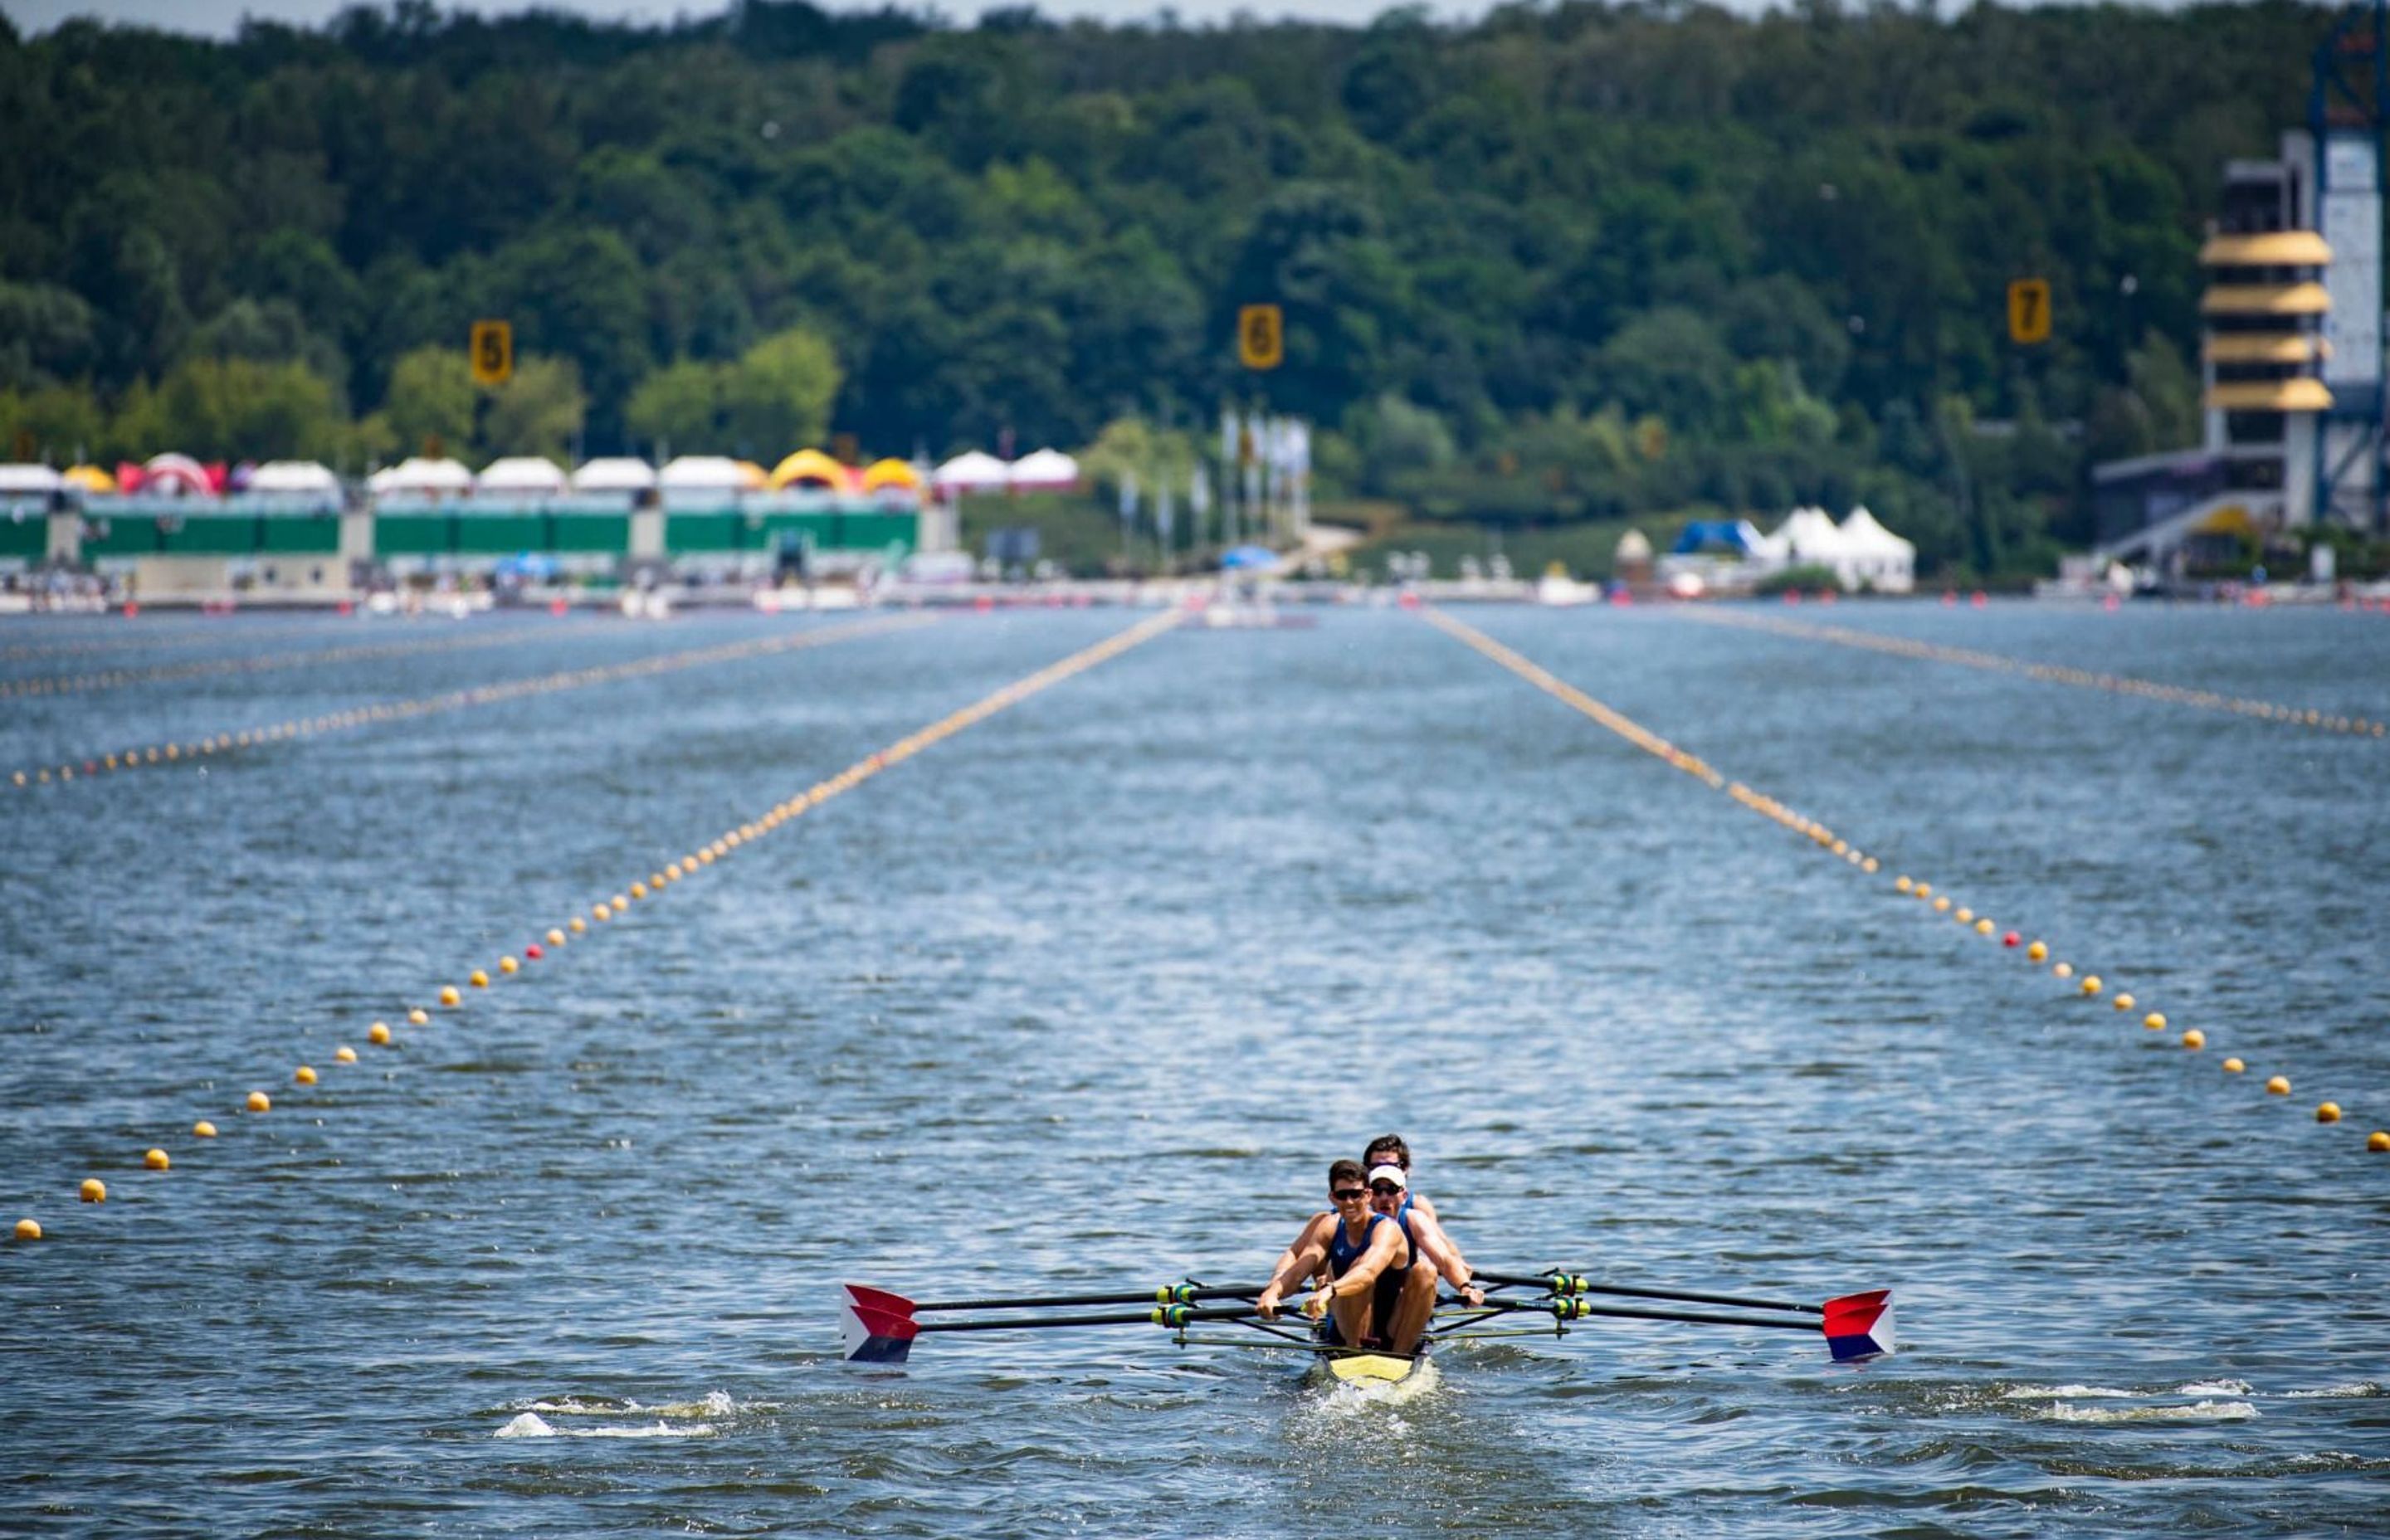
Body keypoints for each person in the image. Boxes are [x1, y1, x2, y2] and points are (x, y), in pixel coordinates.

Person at [1256, 1159, 1435, 1355]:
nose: (1349, 1202)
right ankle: (1354, 1352)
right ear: (1332, 1198)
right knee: (1352, 1269)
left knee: (1425, 1270)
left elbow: (1367, 1272)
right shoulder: (1328, 1226)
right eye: (1342, 1195)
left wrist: (1329, 1291)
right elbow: (1299, 1271)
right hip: (1346, 1324)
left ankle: (1400, 1356)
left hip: (1392, 1325)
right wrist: (1272, 1294)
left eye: (1356, 1194)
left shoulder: (1387, 1229)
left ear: (1368, 1195)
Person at [1362, 1134, 1483, 1309]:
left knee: (1426, 1268)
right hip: (1362, 1291)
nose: (1384, 1196)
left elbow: (1442, 1250)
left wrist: (1463, 1282)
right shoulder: (1351, 1211)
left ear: (1405, 1169)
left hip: (1403, 1286)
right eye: (1377, 1189)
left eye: (1391, 1190)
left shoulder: (1416, 1209)